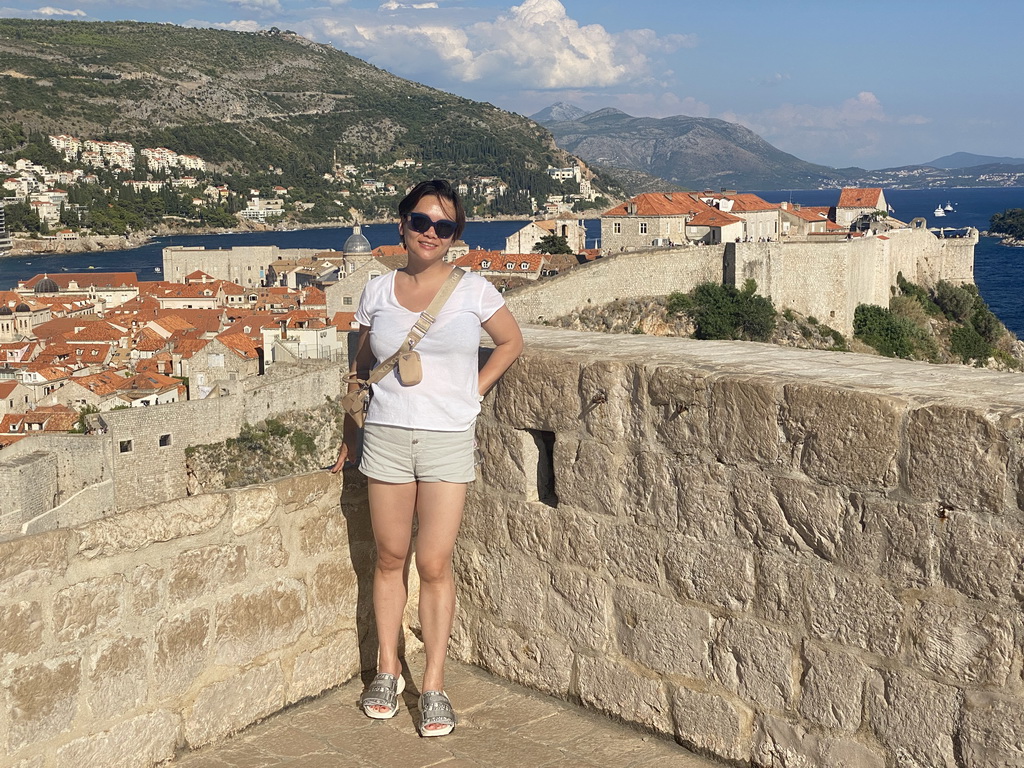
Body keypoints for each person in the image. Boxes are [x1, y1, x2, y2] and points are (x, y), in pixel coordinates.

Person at [331, 179, 523, 736]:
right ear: (402, 226)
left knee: (435, 563)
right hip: (387, 434)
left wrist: (474, 391)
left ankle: (434, 684)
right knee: (390, 558)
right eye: (422, 222)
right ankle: (388, 671)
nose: (431, 233)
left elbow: (510, 342)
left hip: (446, 436)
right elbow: (361, 365)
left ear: (455, 234)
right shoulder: (376, 290)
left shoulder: (473, 290)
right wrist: (351, 429)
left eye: (444, 226)